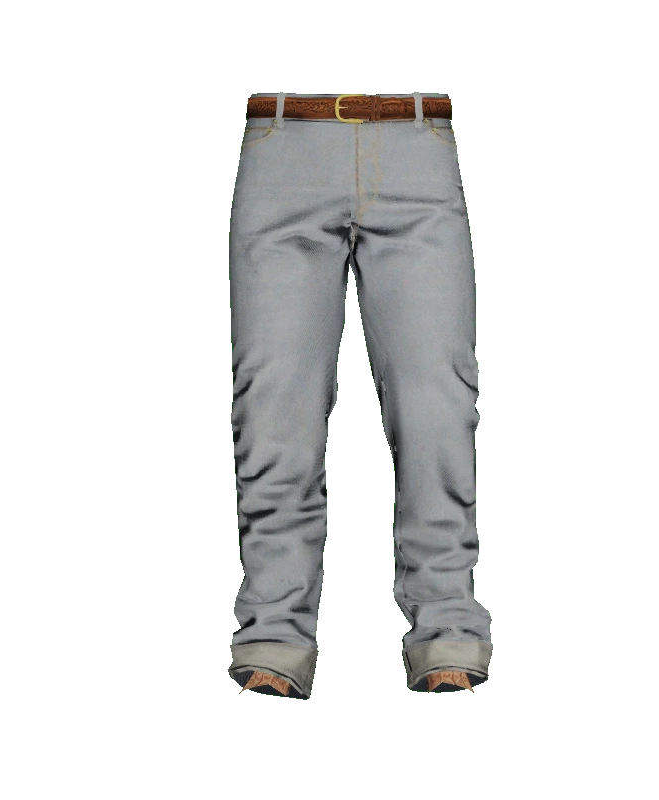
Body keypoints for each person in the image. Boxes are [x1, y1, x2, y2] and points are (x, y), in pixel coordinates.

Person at [229, 89, 491, 697]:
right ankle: (273, 633)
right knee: (273, 401)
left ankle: (448, 628)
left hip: (417, 136)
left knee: (438, 401)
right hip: (283, 136)